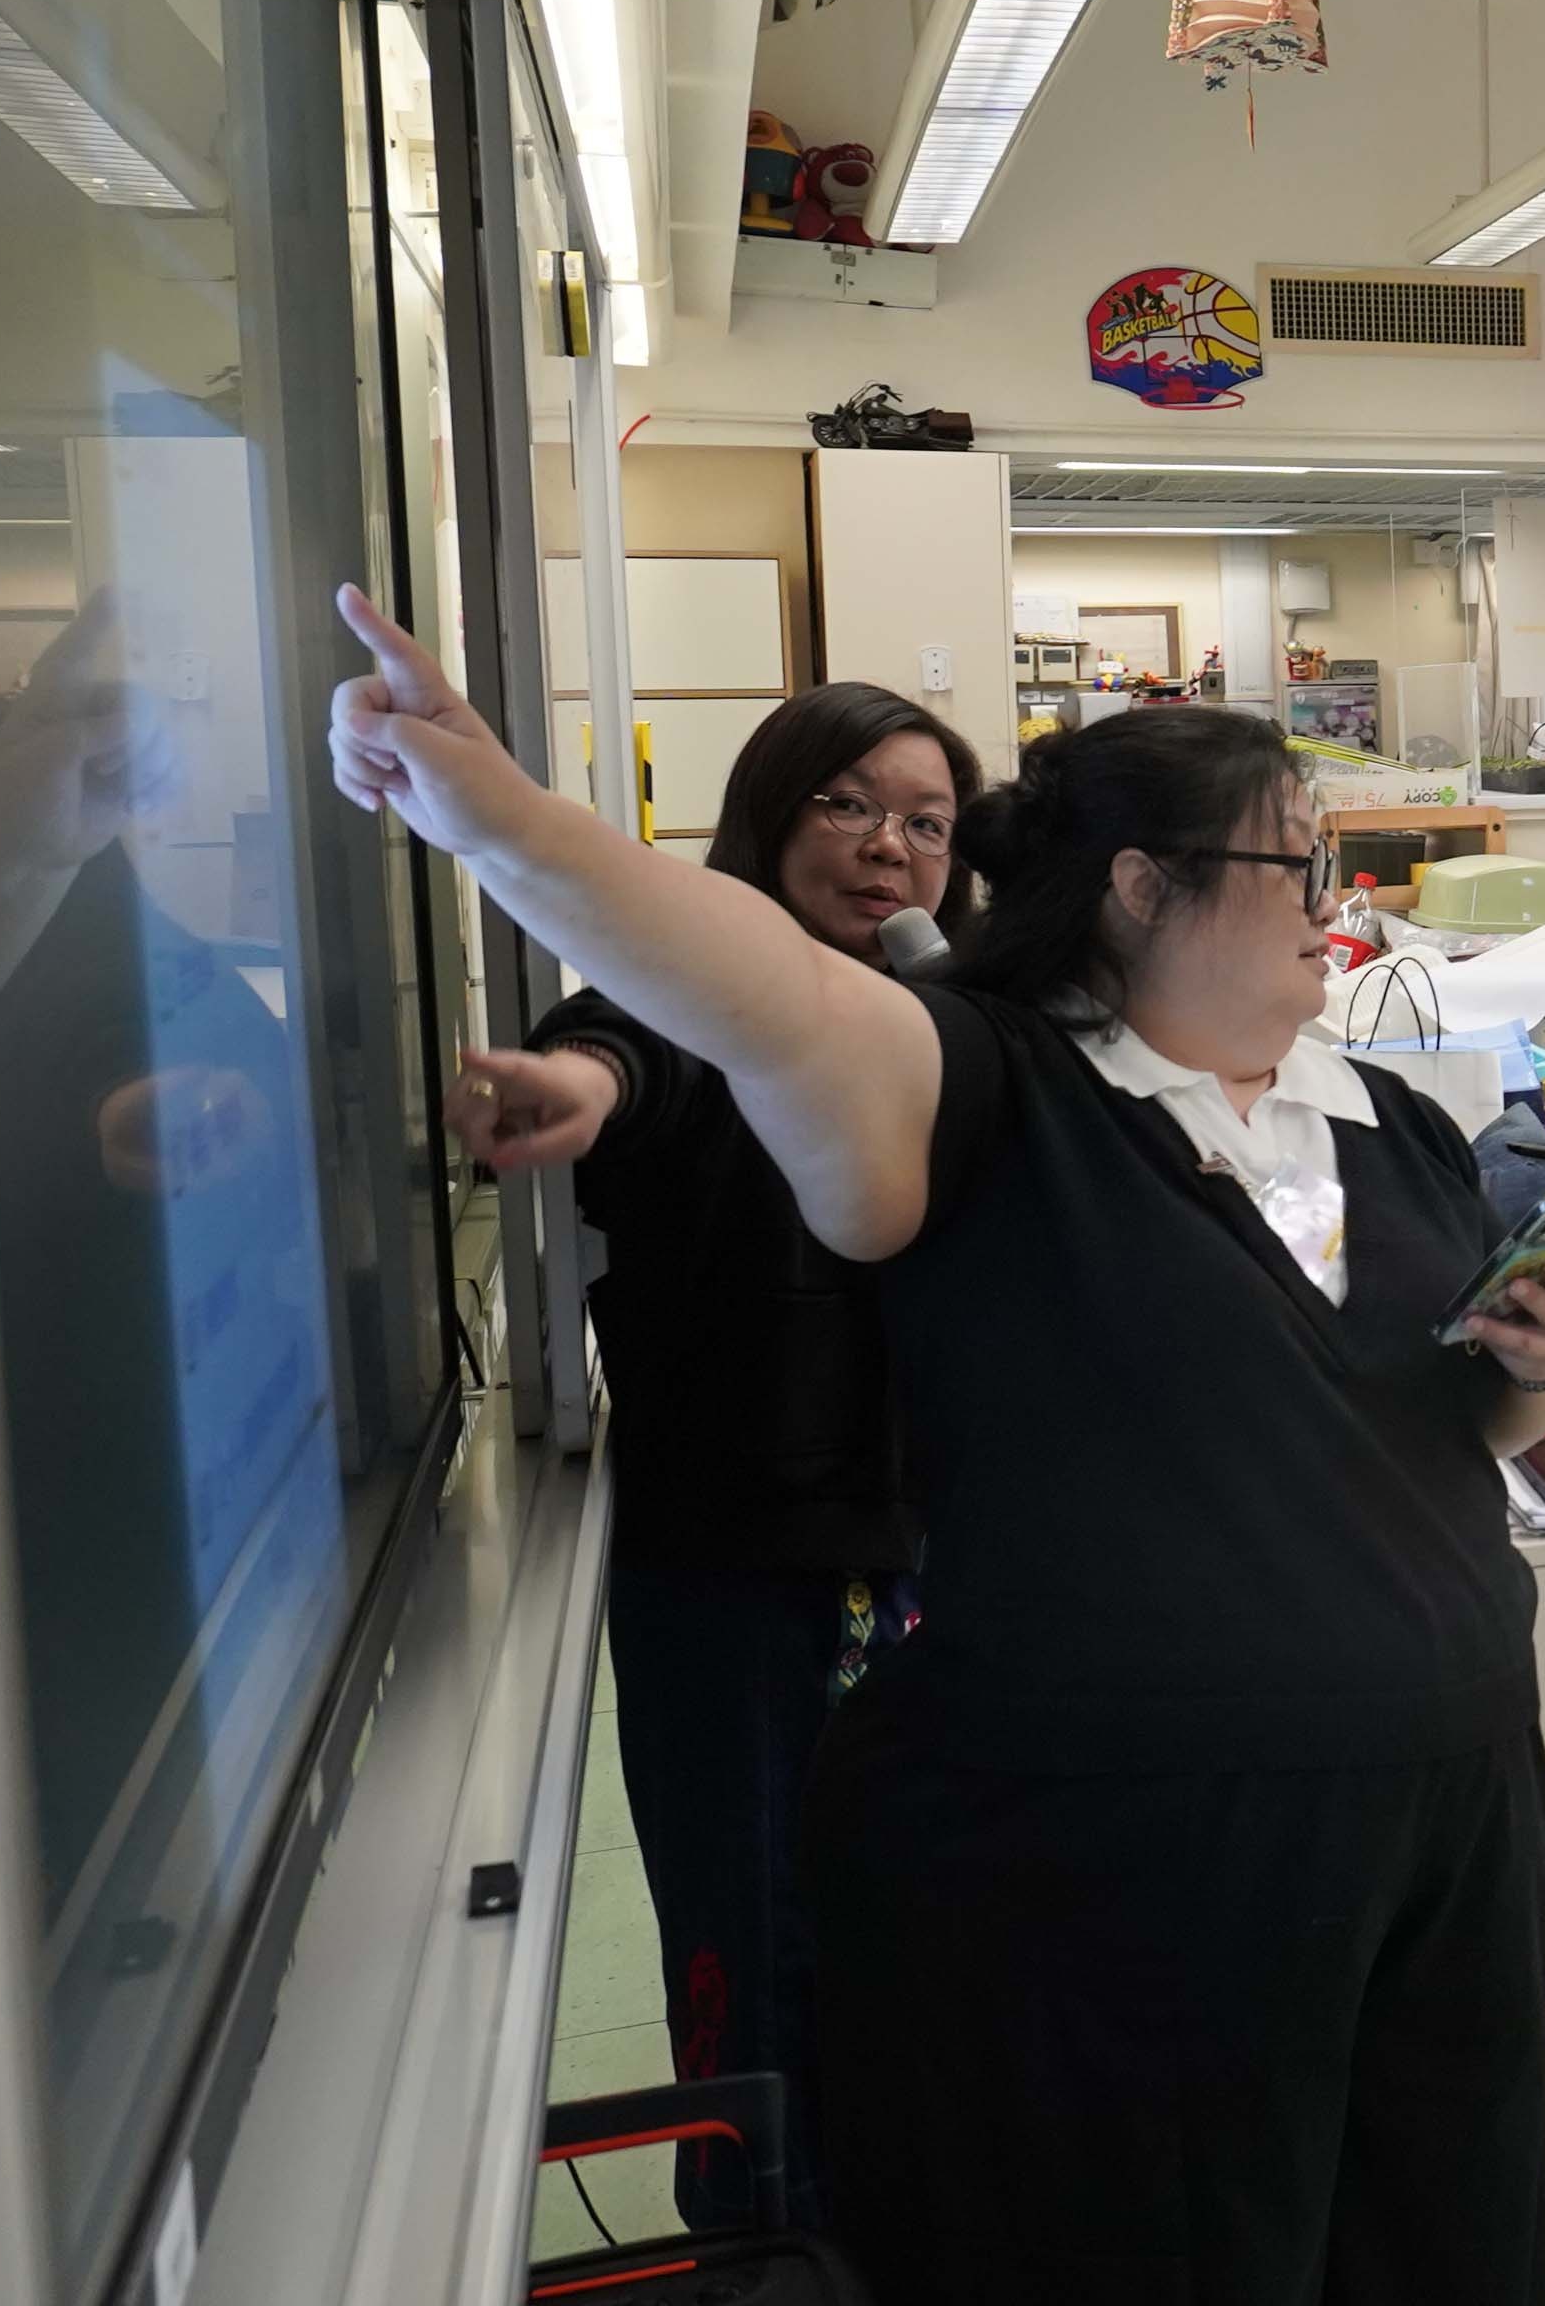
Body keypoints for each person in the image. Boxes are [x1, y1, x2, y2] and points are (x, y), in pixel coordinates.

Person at [323, 587, 1545, 2305]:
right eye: (1298, 863)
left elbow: (1452, 1416)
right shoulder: (991, 1093)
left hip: (1456, 1822)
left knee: (1444, 2248)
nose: (1335, 904)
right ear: (1143, 885)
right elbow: (754, 989)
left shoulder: (1381, 1123)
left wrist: (1543, 1364)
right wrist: (498, 815)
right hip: (1144, 1862)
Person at [441, 683, 977, 2229]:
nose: (887, 848)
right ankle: (756, 2241)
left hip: (916, 1558)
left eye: (927, 824)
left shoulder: (948, 1017)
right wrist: (576, 1090)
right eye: (848, 805)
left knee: (918, 1933)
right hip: (736, 1577)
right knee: (754, 1939)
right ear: (768, 812)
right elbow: (624, 1053)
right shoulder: (686, 994)